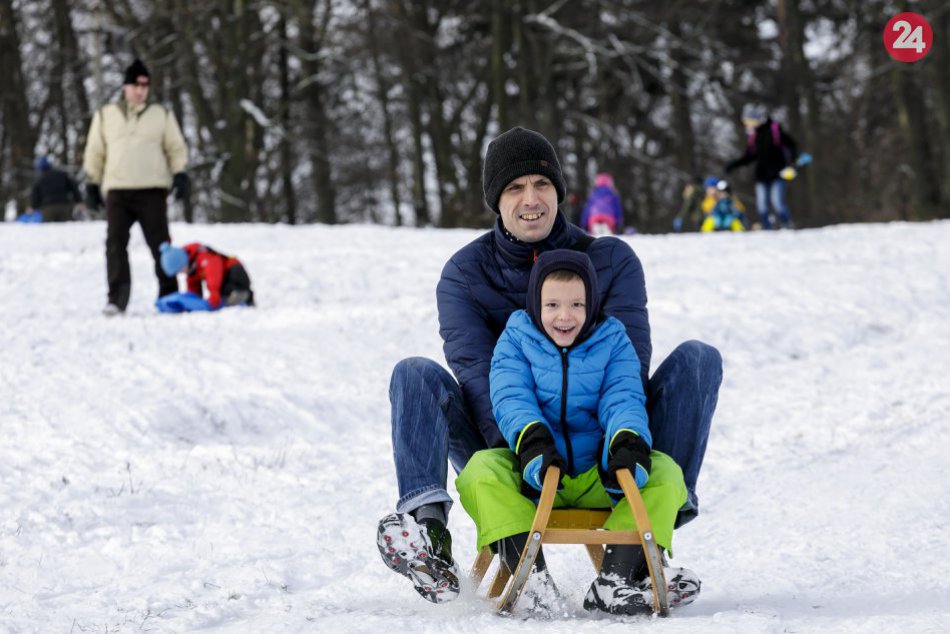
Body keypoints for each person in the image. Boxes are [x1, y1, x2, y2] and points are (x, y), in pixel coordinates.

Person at [375, 126, 722, 606]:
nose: (530, 199)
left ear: (560, 191)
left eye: (542, 185)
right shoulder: (465, 273)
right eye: (514, 188)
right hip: (507, 441)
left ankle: (643, 553)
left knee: (699, 360)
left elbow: (626, 369)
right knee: (413, 373)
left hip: (605, 447)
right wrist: (528, 449)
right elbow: (476, 376)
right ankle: (428, 536)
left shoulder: (610, 260)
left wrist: (617, 445)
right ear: (496, 200)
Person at [456, 249, 699, 615]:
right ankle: (532, 580)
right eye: (552, 304)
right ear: (536, 303)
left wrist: (627, 440)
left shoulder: (612, 339)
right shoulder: (517, 337)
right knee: (480, 472)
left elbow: (623, 397)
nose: (564, 316)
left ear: (593, 305)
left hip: (596, 475)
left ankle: (616, 579)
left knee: (666, 474)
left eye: (576, 304)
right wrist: (532, 438)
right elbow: (510, 394)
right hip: (534, 473)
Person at [82, 58, 190, 316]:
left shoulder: (161, 114)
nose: (141, 90)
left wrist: (180, 173)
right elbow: (95, 151)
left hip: (152, 190)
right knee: (115, 243)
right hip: (118, 190)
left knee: (160, 244)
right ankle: (117, 298)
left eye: (145, 85)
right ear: (125, 87)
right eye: (136, 85)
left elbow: (175, 147)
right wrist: (91, 183)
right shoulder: (106, 115)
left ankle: (169, 293)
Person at [725, 103, 798, 230]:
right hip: (761, 175)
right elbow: (750, 156)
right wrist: (734, 164)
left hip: (777, 173)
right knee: (762, 205)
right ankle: (767, 228)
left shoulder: (775, 130)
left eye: (748, 120)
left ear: (756, 119)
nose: (747, 124)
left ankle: (787, 224)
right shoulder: (753, 136)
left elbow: (791, 145)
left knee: (777, 202)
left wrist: (793, 162)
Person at [159, 242, 255, 308]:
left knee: (227, 285)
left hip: (234, 270)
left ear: (182, 262)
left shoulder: (202, 256)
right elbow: (193, 285)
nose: (180, 273)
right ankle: (236, 297)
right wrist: (193, 301)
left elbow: (213, 272)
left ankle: (245, 296)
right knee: (224, 290)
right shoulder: (191, 270)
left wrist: (213, 292)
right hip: (223, 280)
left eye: (179, 270)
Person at [29, 156, 83, 222]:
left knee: (48, 230)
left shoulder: (39, 179)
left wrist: (33, 207)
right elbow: (73, 186)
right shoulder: (61, 175)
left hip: (48, 208)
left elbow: (35, 195)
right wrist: (78, 201)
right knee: (67, 229)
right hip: (64, 206)